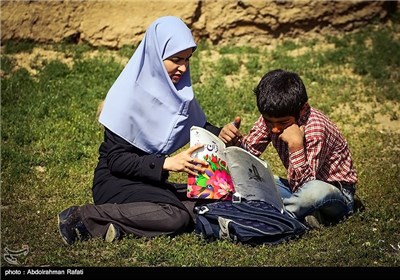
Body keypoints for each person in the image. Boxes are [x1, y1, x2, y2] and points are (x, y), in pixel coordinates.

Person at [57, 16, 237, 245]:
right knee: (176, 217)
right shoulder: (126, 97)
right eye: (176, 60)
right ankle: (83, 216)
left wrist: (221, 134)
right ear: (155, 56)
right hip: (117, 181)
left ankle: (121, 225)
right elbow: (116, 160)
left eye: (187, 59)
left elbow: (198, 127)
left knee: (209, 201)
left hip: (148, 180)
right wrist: (166, 164)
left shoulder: (177, 91)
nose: (183, 67)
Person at [227, 69, 358, 229]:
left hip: (335, 195)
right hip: (297, 189)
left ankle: (277, 218)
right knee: (256, 178)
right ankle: (305, 216)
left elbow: (307, 186)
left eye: (283, 123)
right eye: (269, 122)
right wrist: (233, 143)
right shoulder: (273, 117)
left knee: (315, 191)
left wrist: (296, 146)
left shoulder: (315, 129)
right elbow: (249, 153)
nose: (275, 129)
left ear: (303, 109)